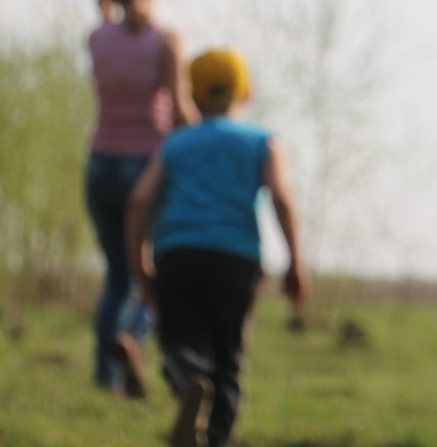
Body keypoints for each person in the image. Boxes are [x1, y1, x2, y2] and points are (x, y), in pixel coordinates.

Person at [126, 47, 310, 447]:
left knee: (180, 342)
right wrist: (296, 262)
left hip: (177, 256)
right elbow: (282, 198)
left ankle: (190, 379)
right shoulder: (264, 141)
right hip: (236, 259)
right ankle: (216, 438)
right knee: (228, 358)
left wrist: (140, 265)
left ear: (191, 95)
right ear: (247, 93)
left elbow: (140, 200)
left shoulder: (175, 144)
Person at [87, 0, 198, 397]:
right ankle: (132, 340)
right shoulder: (167, 41)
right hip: (147, 167)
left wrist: (105, 3)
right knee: (148, 272)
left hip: (99, 165)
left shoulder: (97, 38)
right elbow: (181, 110)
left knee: (117, 277)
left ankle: (106, 378)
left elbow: (108, 24)